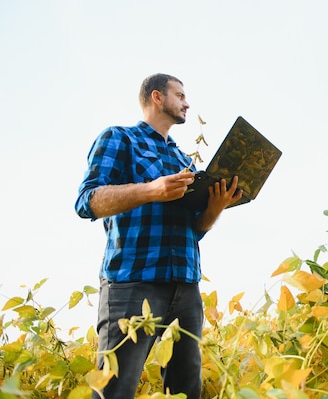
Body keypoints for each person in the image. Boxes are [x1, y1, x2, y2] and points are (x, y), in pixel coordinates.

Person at [75, 73, 242, 398]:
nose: (187, 102)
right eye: (179, 95)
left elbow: (195, 229)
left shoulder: (183, 159)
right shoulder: (119, 139)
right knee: (115, 389)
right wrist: (151, 190)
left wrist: (216, 207)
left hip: (186, 286)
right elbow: (87, 201)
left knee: (185, 390)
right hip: (132, 283)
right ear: (156, 97)